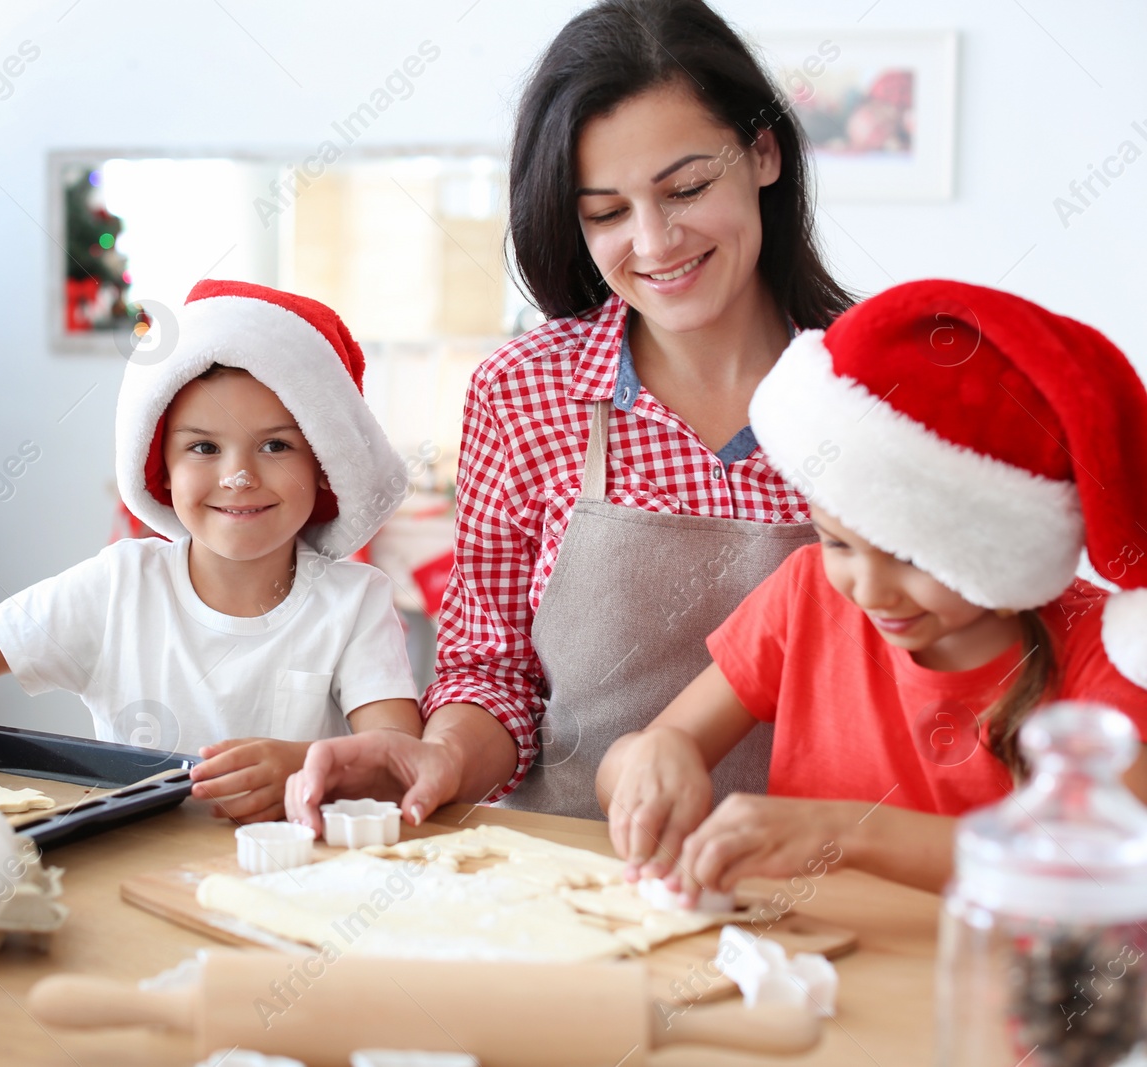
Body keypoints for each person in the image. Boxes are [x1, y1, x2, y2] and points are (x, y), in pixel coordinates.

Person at [288, 0, 854, 831]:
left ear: (763, 151)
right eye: (607, 212)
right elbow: (494, 675)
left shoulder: (875, 386)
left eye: (687, 187)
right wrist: (442, 753)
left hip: (827, 891)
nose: (655, 241)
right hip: (578, 882)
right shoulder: (525, 394)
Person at [599, 279, 1147, 898]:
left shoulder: (1104, 654)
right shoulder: (807, 594)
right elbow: (626, 767)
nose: (869, 589)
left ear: (1002, 547)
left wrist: (847, 834)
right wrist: (652, 758)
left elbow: (1097, 856)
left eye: (910, 557)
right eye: (839, 542)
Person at [0, 280, 423, 822]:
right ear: (161, 467)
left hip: (294, 880)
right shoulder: (120, 586)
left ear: (323, 464)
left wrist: (305, 766)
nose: (238, 476)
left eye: (276, 445)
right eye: (204, 447)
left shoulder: (355, 603)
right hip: (129, 870)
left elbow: (398, 759)